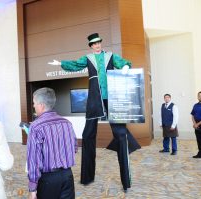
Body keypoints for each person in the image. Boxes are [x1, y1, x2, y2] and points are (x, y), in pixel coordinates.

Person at [48, 33, 140, 191]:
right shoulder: (88, 58)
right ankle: (87, 177)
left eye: (99, 43)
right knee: (88, 134)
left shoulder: (110, 56)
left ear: (100, 43)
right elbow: (75, 65)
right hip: (94, 99)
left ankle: (126, 181)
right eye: (94, 44)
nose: (97, 45)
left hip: (113, 98)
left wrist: (125, 66)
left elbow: (123, 62)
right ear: (90, 46)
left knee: (121, 135)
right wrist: (60, 63)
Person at [27, 87, 77, 199]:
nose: (33, 106)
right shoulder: (67, 123)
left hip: (48, 180)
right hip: (67, 176)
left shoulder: (35, 126)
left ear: (41, 105)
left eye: (34, 103)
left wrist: (32, 188)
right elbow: (74, 148)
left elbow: (34, 160)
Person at [191, 91, 201, 158]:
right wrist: (194, 124)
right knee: (199, 140)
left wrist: (197, 124)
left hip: (199, 123)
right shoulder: (195, 105)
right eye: (199, 96)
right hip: (196, 124)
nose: (200, 97)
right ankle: (200, 153)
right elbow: (192, 115)